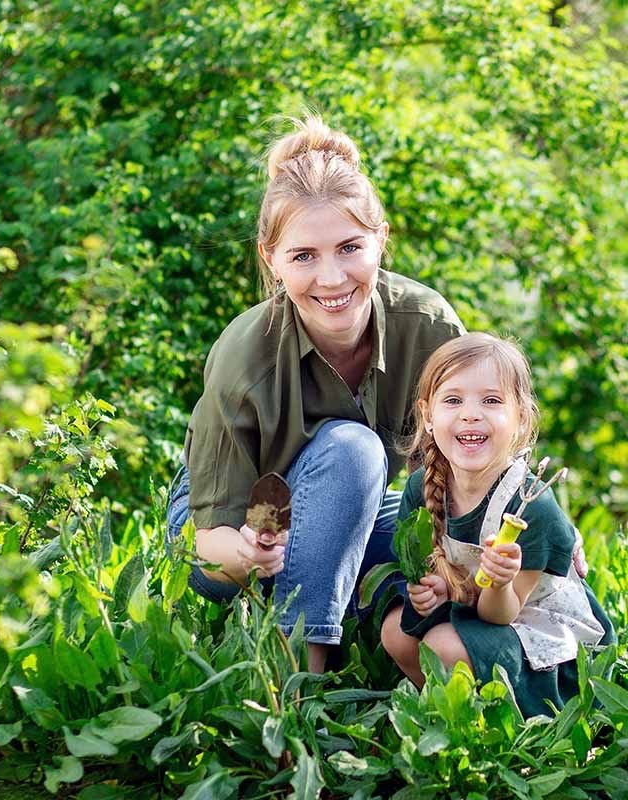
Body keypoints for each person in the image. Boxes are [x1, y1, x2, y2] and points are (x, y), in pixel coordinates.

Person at [166, 115, 466, 673]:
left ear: (380, 240)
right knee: (353, 447)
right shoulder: (243, 355)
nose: (331, 279)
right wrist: (251, 555)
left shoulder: (429, 327)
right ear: (271, 260)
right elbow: (207, 547)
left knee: (424, 574)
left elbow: (486, 442)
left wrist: (539, 530)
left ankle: (375, 638)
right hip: (232, 521)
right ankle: (301, 674)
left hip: (357, 506)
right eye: (304, 255)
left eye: (350, 247)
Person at [380, 333, 614, 716]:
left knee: (441, 644)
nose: (471, 414)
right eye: (453, 400)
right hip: (470, 612)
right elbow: (429, 565)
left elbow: (500, 614)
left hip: (536, 635)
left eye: (491, 401)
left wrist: (500, 581)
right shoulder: (421, 489)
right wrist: (432, 588)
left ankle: (501, 717)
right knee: (396, 631)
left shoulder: (531, 506)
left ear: (520, 416)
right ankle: (450, 710)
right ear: (427, 414)